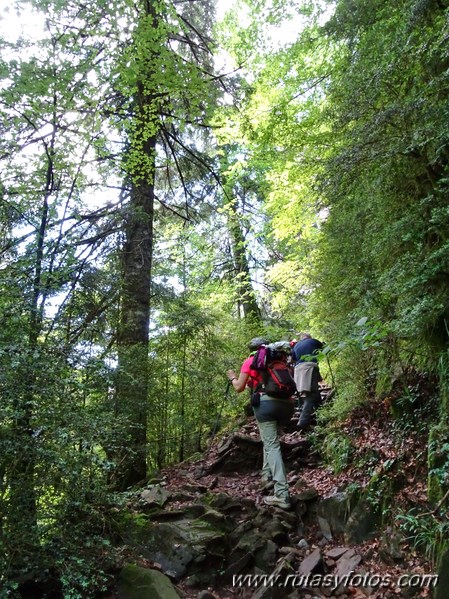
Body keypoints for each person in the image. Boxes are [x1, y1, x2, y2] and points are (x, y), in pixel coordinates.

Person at [227, 337, 294, 510]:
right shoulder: (278, 359)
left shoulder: (250, 361)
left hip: (266, 404)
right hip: (287, 404)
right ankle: (266, 476)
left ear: (251, 349)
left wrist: (233, 378)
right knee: (270, 440)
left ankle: (282, 495)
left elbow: (239, 387)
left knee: (271, 445)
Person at [291, 332, 324, 430]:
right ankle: (303, 421)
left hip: (298, 370)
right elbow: (324, 349)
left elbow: (293, 360)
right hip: (309, 368)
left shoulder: (296, 346)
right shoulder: (313, 341)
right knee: (312, 394)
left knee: (304, 394)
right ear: (309, 337)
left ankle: (321, 415)